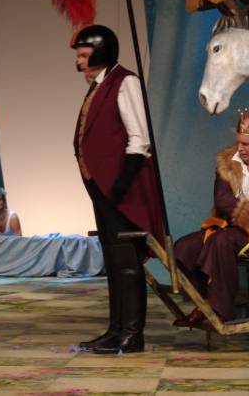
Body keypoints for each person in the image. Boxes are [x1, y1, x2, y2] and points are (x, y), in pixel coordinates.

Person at [72, 24, 164, 354]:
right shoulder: (100, 85)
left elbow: (139, 139)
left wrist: (120, 185)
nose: (79, 62)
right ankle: (115, 330)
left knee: (126, 260)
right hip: (103, 189)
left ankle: (132, 333)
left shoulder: (125, 82)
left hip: (121, 191)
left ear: (101, 52)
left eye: (84, 55)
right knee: (112, 261)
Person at [173, 110, 249, 326]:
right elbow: (223, 201)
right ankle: (205, 303)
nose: (240, 147)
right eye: (239, 142)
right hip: (232, 225)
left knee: (221, 241)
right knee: (183, 247)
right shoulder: (228, 163)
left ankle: (220, 310)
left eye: (246, 144)